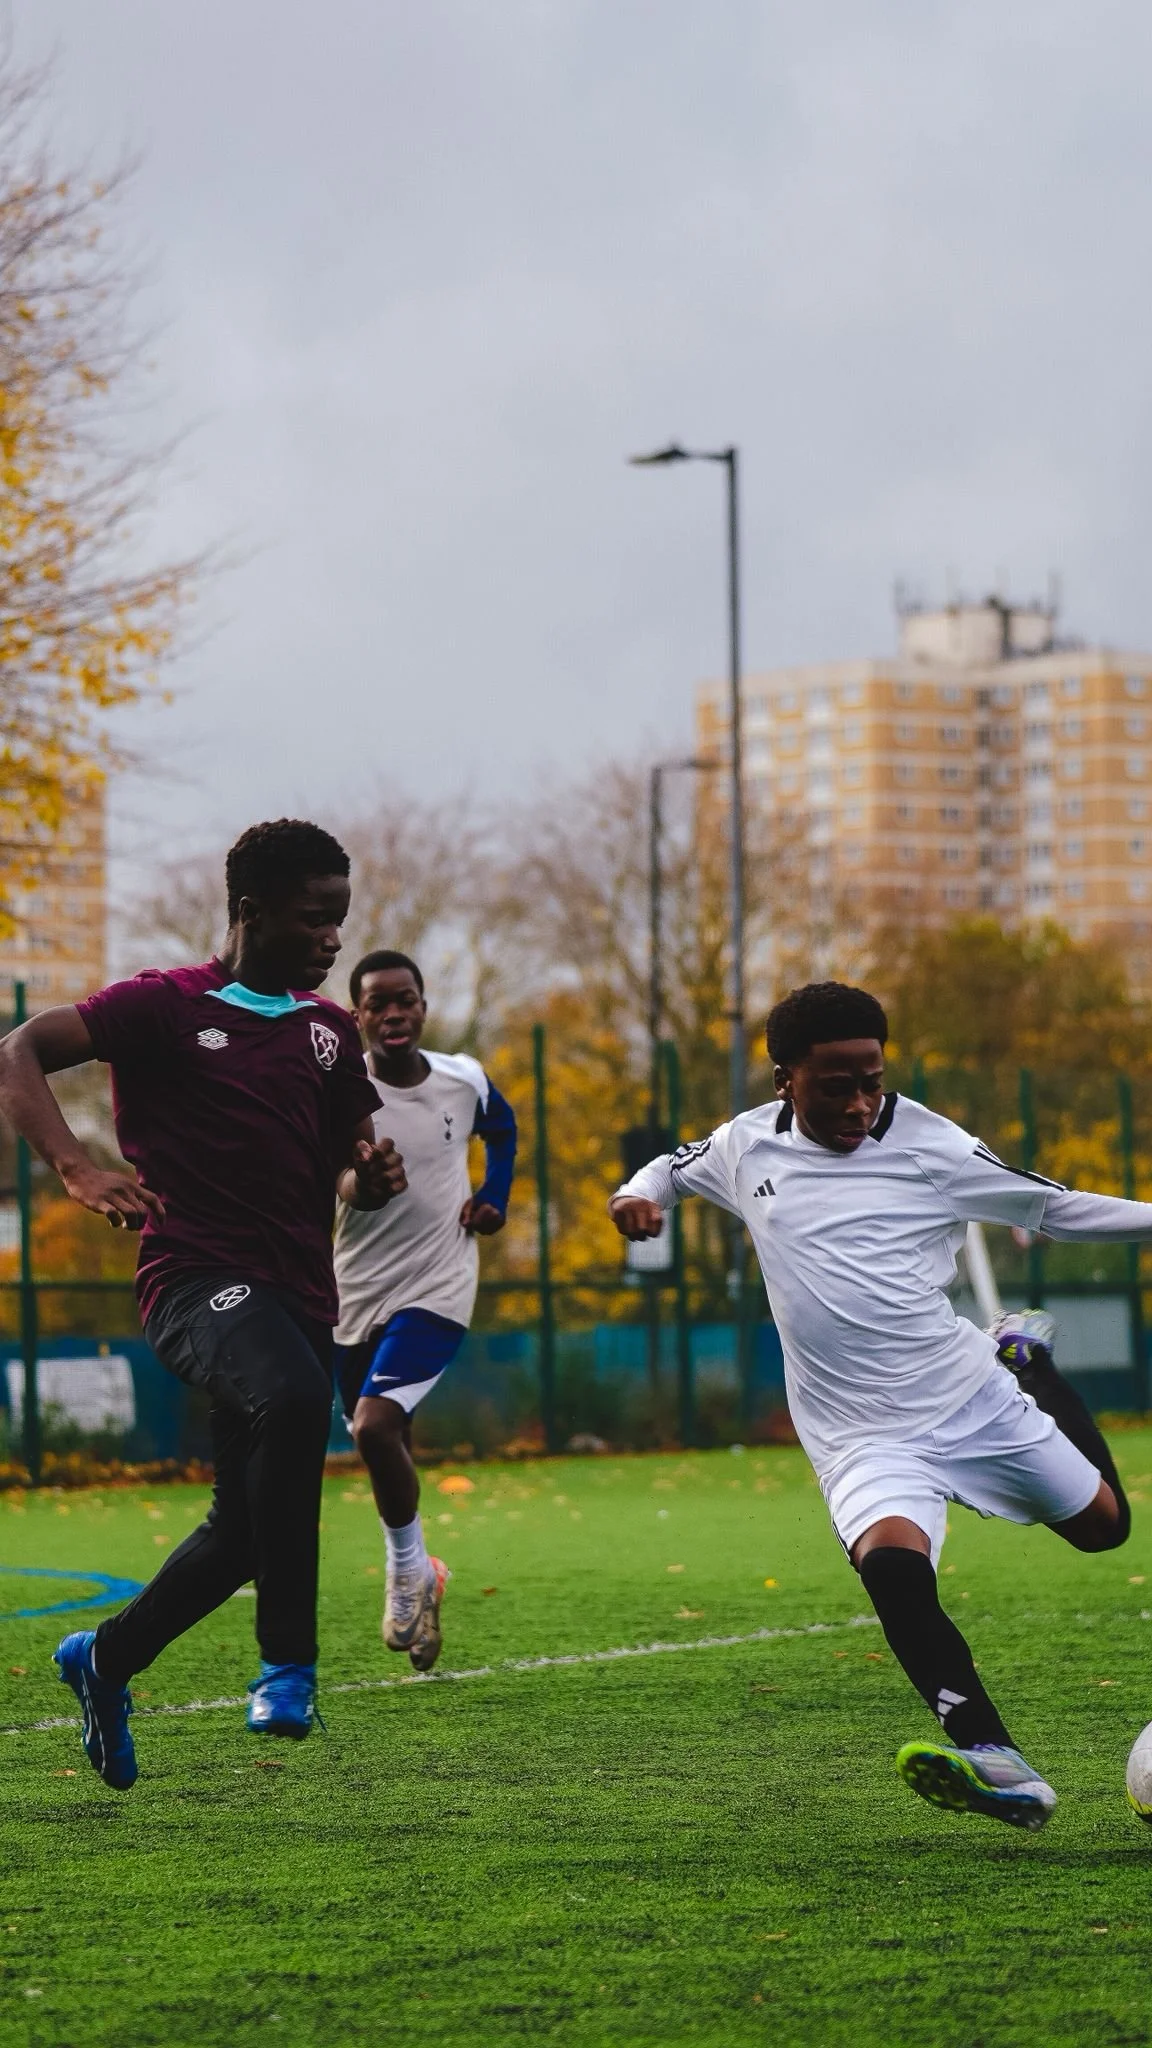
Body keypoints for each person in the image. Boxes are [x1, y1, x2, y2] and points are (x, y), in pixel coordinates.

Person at [610, 979, 1149, 1832]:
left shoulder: (934, 1145)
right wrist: (633, 1199)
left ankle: (1033, 1365)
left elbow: (1053, 1206)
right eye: (836, 1085)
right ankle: (995, 1759)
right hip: (859, 1432)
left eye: (874, 1079)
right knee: (892, 1566)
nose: (861, 1102)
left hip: (969, 1395)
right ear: (784, 1076)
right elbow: (667, 1172)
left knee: (1104, 1529)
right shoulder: (745, 1145)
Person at [0, 819, 406, 1789]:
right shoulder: (162, 1007)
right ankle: (287, 1667)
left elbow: (357, 1157)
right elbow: (18, 1048)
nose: (332, 938)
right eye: (316, 918)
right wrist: (75, 1165)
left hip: (303, 1291)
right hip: (193, 1280)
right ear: (250, 910)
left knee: (241, 1531)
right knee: (302, 1401)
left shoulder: (325, 1030)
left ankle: (104, 1658)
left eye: (340, 919)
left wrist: (374, 1171)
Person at [333, 950, 516, 1670]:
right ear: (357, 1017)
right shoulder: (339, 1091)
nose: (393, 1013)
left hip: (440, 1280)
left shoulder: (463, 1078)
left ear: (424, 1007)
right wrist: (358, 1183)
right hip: (351, 1286)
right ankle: (424, 1574)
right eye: (377, 1003)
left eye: (404, 999)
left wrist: (495, 1194)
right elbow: (333, 1175)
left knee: (376, 1426)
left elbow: (502, 1130)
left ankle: (404, 1574)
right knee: (379, 1438)